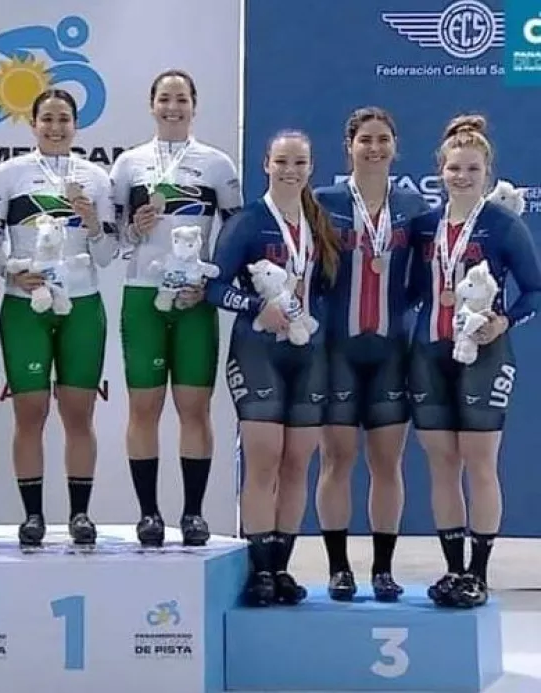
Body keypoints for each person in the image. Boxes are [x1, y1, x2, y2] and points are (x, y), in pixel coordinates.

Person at [408, 115, 541, 608]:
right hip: (429, 352)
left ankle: (479, 574)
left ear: (488, 172)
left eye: (472, 168)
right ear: (439, 172)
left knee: (480, 464)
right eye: (453, 168)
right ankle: (452, 570)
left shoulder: (504, 226)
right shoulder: (424, 226)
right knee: (442, 465)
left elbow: (534, 290)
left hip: (485, 352)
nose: (462, 176)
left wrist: (503, 323)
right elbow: (407, 291)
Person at [205, 129, 340, 605]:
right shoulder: (246, 221)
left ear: (310, 168)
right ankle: (259, 570)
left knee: (298, 462)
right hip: (258, 350)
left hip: (308, 354)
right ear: (265, 164)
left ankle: (282, 568)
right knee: (264, 460)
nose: (290, 170)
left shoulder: (320, 220)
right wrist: (255, 309)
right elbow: (214, 287)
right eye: (281, 161)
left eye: (299, 163)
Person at [110, 69, 243, 547]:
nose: (173, 107)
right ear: (151, 105)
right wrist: (135, 229)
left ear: (194, 105)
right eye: (164, 99)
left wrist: (212, 284)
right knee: (143, 407)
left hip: (194, 298)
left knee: (194, 408)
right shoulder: (128, 165)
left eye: (181, 99)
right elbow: (112, 237)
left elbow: (233, 238)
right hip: (144, 296)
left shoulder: (217, 165)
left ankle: (193, 514)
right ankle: (148, 514)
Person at [0, 88, 118, 547]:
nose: (56, 128)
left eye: (64, 120)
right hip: (27, 306)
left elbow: (106, 255)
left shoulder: (97, 180)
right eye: (47, 120)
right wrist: (11, 273)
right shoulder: (7, 177)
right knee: (30, 413)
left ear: (76, 126)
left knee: (79, 414)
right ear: (33, 124)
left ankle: (80, 514)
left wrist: (93, 222)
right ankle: (33, 515)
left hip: (81, 305)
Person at [312, 107, 430, 602]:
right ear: (349, 146)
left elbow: (427, 277)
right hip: (337, 350)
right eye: (366, 140)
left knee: (388, 464)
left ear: (395, 146)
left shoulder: (413, 205)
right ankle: (339, 568)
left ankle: (382, 569)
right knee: (337, 460)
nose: (375, 148)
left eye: (383, 139)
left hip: (389, 353)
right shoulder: (323, 201)